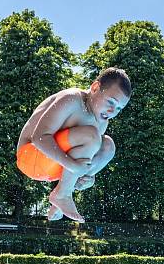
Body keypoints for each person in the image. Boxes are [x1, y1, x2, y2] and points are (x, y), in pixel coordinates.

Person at [16, 67, 131, 222]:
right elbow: (39, 138)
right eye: (111, 101)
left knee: (108, 146)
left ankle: (61, 197)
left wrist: (89, 176)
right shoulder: (72, 100)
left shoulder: (102, 121)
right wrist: (73, 166)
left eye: (119, 108)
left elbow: (87, 154)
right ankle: (62, 194)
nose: (112, 111)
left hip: (54, 165)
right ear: (95, 87)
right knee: (91, 136)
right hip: (30, 157)